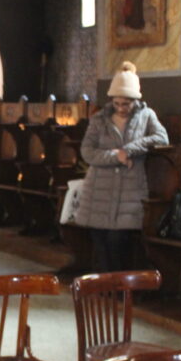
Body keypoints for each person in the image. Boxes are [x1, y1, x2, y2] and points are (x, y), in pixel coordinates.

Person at [74, 60, 169, 273]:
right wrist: (116, 156)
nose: (121, 108)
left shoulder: (146, 115)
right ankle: (104, 286)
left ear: (135, 100)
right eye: (116, 103)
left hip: (129, 190)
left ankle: (119, 286)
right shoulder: (99, 119)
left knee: (118, 242)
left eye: (126, 104)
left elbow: (162, 138)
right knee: (100, 243)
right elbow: (87, 151)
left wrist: (131, 149)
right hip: (99, 190)